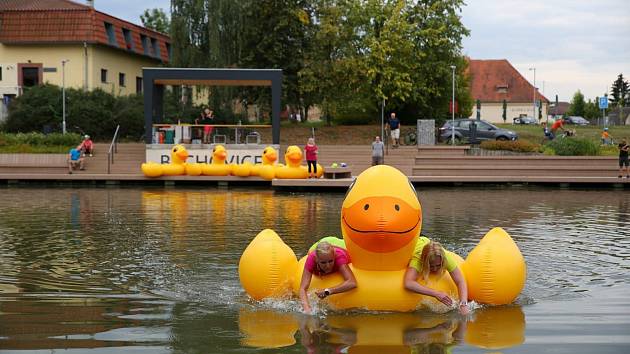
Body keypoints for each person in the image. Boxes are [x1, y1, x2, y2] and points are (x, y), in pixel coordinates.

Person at [403, 237, 469, 315]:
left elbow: (460, 281)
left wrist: (463, 304)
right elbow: (408, 283)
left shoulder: (446, 258)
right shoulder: (418, 259)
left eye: (438, 265)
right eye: (431, 266)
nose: (435, 269)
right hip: (414, 242)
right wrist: (436, 293)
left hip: (426, 241)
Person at [299, 238, 357, 314]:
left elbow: (352, 283)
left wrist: (328, 291)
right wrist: (307, 308)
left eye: (331, 261)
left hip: (342, 247)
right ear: (316, 260)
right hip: (322, 243)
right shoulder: (311, 259)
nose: (328, 266)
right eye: (323, 262)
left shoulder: (339, 257)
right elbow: (303, 288)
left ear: (334, 257)